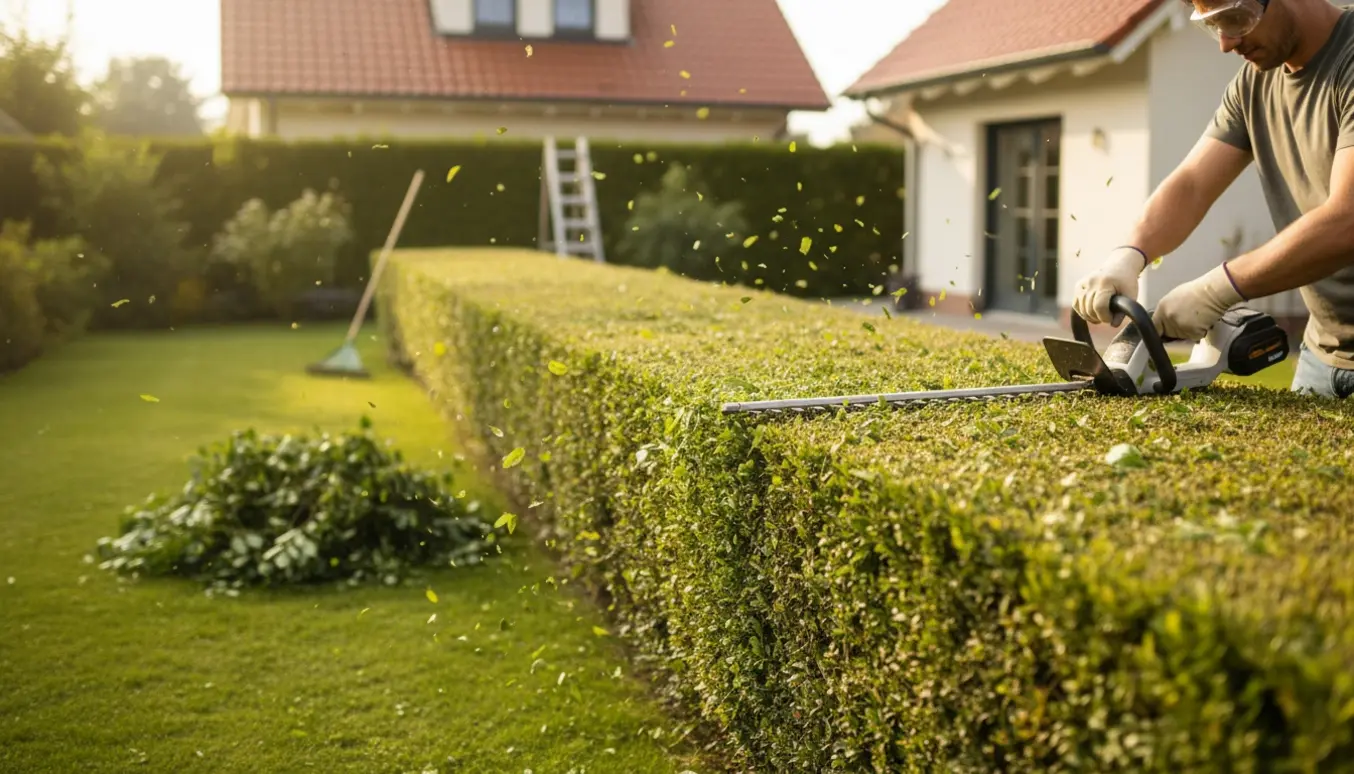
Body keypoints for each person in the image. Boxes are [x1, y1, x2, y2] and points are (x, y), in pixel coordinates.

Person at [1072, 0, 1354, 397]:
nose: (1226, 43)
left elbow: (1347, 221)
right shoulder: (1253, 84)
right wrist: (1128, 256)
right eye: (1213, 25)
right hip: (1323, 353)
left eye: (1236, 19)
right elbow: (1191, 184)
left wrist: (1217, 289)